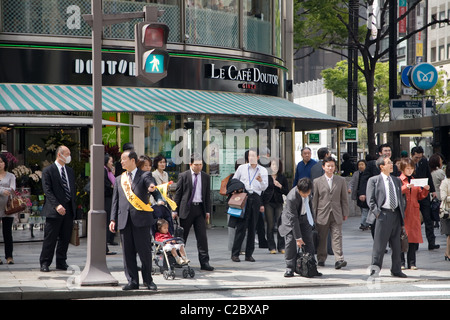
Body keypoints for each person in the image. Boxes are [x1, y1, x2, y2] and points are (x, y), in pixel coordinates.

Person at [109, 150, 164, 291]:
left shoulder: (144, 175)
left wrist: (153, 189)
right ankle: (132, 281)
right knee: (127, 254)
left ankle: (148, 280)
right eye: (121, 160)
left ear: (133, 160)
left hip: (141, 221)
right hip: (124, 221)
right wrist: (112, 219)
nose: (121, 162)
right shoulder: (118, 179)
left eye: (124, 159)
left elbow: (150, 184)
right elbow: (115, 201)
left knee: (145, 252)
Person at [366, 156, 407, 278]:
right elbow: (370, 200)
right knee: (379, 245)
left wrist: (401, 213)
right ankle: (375, 269)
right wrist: (377, 213)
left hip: (395, 215)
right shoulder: (374, 180)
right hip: (382, 214)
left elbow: (401, 198)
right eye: (388, 163)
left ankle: (396, 269)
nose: (392, 165)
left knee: (396, 245)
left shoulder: (396, 180)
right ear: (381, 167)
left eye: (391, 162)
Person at [173, 153, 214, 271]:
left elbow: (207, 195)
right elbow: (178, 194)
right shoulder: (184, 176)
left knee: (202, 237)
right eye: (196, 165)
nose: (199, 167)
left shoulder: (205, 177)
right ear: (190, 164)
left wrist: (208, 211)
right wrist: (174, 210)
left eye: (201, 164)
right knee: (182, 236)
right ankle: (178, 259)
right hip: (187, 209)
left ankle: (204, 262)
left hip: (200, 209)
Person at [39, 146, 77, 272]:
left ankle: (61, 261)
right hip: (54, 210)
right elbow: (47, 191)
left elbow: (72, 190)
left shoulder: (70, 171)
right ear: (60, 155)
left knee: (65, 238)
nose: (69, 156)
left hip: (68, 210)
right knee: (50, 238)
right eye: (67, 153)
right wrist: (57, 205)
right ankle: (45, 262)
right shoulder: (48, 171)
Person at [229, 148, 268, 262]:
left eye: (253, 156)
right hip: (244, 197)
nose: (251, 158)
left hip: (255, 198)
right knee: (241, 226)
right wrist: (237, 189)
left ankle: (249, 254)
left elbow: (264, 187)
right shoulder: (242, 168)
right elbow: (234, 180)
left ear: (258, 157)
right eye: (249, 156)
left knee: (252, 227)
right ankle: (235, 253)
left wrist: (260, 180)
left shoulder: (263, 170)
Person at [279, 178, 321, 278]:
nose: (306, 195)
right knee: (291, 242)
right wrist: (298, 238)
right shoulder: (291, 197)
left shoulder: (309, 191)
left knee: (309, 241)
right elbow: (293, 219)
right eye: (303, 193)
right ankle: (290, 268)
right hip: (291, 220)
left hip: (305, 217)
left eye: (308, 193)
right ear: (298, 189)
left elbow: (310, 206)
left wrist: (312, 220)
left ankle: (311, 266)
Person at [312, 156, 349, 269]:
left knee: (337, 236)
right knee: (322, 237)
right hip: (322, 213)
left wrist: (345, 212)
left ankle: (339, 259)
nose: (330, 168)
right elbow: (315, 200)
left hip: (336, 213)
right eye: (328, 166)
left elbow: (344, 198)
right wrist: (314, 216)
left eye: (332, 166)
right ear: (323, 167)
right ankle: (321, 258)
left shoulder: (341, 180)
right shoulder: (317, 182)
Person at [399, 158, 429, 270]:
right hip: (403, 212)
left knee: (413, 237)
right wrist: (405, 187)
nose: (410, 170)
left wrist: (425, 190)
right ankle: (401, 262)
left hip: (414, 212)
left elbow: (420, 196)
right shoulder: (399, 180)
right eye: (407, 168)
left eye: (411, 168)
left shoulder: (414, 180)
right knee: (402, 237)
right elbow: (396, 192)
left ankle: (412, 263)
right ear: (402, 169)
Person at [411, 146, 439, 250]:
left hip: (424, 193)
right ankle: (415, 243)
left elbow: (428, 176)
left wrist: (433, 190)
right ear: (412, 155)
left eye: (420, 157)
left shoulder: (424, 162)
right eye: (416, 157)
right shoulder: (408, 164)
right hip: (413, 195)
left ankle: (431, 242)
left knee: (428, 219)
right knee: (415, 221)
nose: (418, 159)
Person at [262, 158, 289, 254]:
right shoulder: (266, 177)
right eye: (273, 165)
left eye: (276, 165)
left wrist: (280, 186)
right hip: (268, 202)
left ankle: (281, 246)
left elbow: (287, 191)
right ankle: (271, 247)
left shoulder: (282, 177)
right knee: (270, 225)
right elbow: (262, 190)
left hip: (278, 203)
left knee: (280, 224)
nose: (274, 167)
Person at [0, 154, 16, 265]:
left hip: (8, 208)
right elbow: (6, 189)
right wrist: (2, 190)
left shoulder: (11, 176)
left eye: (1, 162)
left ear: (5, 163)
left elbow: (12, 189)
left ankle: (9, 256)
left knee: (7, 233)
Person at [348, 159, 369, 230]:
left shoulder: (368, 173)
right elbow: (352, 182)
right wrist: (350, 188)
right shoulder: (356, 173)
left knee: (365, 209)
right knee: (362, 209)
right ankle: (366, 222)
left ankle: (364, 223)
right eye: (359, 165)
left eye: (362, 164)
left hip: (366, 194)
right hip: (358, 193)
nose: (360, 166)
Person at [104, 154, 117, 255]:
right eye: (110, 161)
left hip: (108, 199)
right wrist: (112, 187)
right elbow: (106, 185)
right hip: (106, 201)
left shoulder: (108, 171)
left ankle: (106, 247)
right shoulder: (104, 170)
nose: (112, 163)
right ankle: (105, 247)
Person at [439, 164, 450, 262]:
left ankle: (447, 252)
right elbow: (443, 197)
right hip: (448, 211)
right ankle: (448, 253)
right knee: (449, 234)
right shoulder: (445, 182)